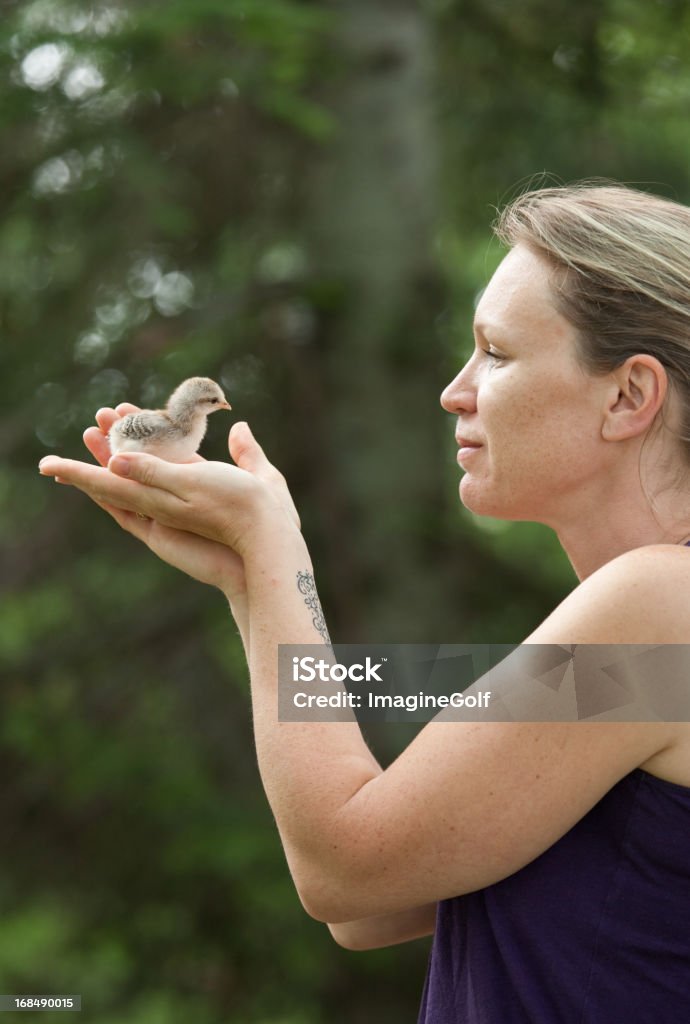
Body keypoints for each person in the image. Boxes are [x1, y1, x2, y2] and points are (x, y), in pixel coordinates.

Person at [39, 181, 690, 1022]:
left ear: (629, 396)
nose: (456, 391)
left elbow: (346, 867)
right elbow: (371, 907)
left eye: (495, 353)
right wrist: (248, 578)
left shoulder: (661, 611)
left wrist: (274, 556)